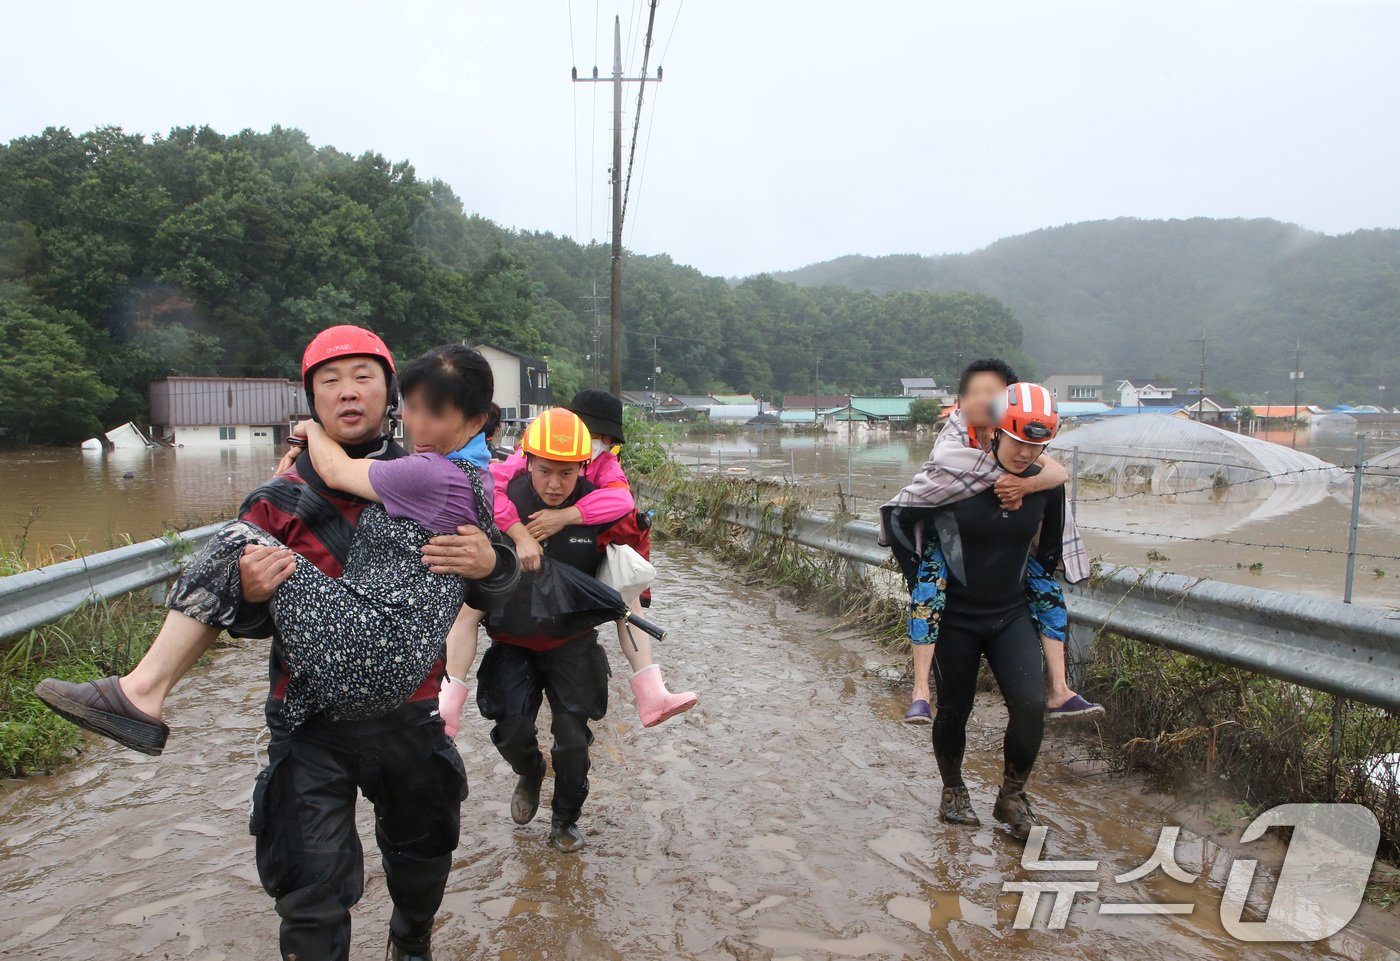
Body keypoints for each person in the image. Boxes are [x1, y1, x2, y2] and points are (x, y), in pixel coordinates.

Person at [37, 328, 514, 961]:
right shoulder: (280, 495)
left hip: (412, 719)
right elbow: (243, 618)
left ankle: (412, 942)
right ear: (310, 398)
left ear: (391, 390)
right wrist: (251, 593)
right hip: (310, 720)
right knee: (309, 890)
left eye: (363, 377)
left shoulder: (426, 465)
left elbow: (493, 592)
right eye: (329, 381)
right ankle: (141, 694)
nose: (348, 392)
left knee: (421, 857)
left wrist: (492, 564)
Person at [441, 388, 697, 734]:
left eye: (605, 439)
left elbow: (621, 502)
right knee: (470, 605)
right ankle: (448, 698)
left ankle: (651, 691)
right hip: (525, 549)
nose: (598, 443)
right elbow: (491, 490)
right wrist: (520, 534)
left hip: (582, 555)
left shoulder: (605, 465)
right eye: (594, 435)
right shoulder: (528, 455)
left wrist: (568, 516)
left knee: (628, 598)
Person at [885, 383, 1078, 839]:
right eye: (1017, 442)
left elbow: (1049, 551)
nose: (1024, 453)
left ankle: (1012, 797)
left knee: (1031, 706)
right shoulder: (956, 483)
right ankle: (953, 790)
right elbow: (897, 516)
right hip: (955, 618)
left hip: (1009, 613)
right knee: (955, 709)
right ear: (995, 433)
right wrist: (922, 583)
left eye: (1036, 446)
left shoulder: (1044, 487)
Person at [888, 358, 1102, 725]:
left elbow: (1054, 476)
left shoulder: (1025, 445)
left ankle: (1060, 688)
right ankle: (920, 690)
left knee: (1049, 596)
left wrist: (1028, 484)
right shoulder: (956, 440)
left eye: (991, 392)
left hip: (1005, 582)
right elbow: (915, 500)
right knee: (927, 593)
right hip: (953, 548)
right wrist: (915, 568)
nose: (1024, 452)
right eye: (974, 391)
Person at [475, 408, 632, 853]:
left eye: (567, 473)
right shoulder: (506, 496)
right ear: (527, 462)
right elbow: (477, 495)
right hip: (512, 641)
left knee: (572, 743)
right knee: (511, 731)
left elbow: (626, 507)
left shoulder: (593, 503)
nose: (554, 484)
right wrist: (520, 533)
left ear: (584, 467)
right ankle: (528, 771)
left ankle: (564, 820)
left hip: (571, 643)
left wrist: (568, 518)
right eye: (545, 471)